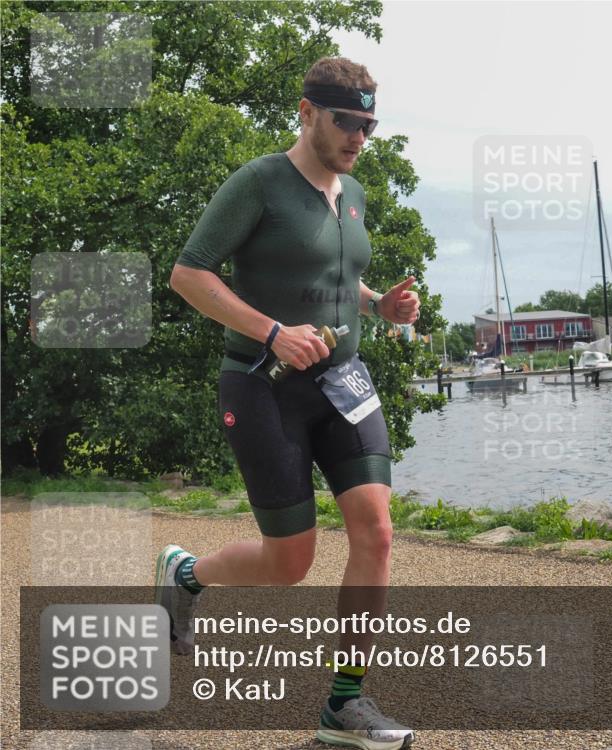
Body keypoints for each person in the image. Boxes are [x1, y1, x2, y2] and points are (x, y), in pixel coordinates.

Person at [158, 56, 419, 750]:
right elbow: (188, 274)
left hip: (344, 384)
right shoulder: (259, 184)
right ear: (306, 113)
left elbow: (335, 277)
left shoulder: (354, 194)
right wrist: (271, 332)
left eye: (369, 124)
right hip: (263, 384)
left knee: (377, 532)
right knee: (290, 562)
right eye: (346, 122)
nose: (359, 138)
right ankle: (185, 577)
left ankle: (344, 704)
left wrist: (381, 306)